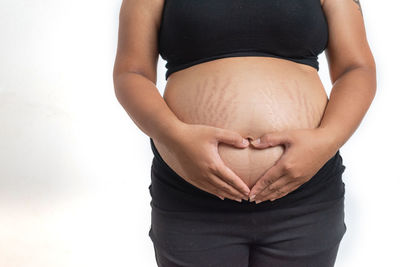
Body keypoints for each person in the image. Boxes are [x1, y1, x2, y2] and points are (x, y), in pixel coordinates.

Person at [113, 0, 376, 266]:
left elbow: (356, 68)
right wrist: (176, 137)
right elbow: (132, 73)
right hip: (191, 198)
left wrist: (326, 140)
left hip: (305, 196)